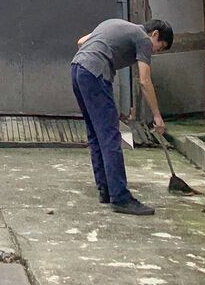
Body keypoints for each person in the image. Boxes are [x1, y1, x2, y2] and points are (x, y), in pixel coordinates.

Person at [71, 17, 173, 216]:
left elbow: (81, 41)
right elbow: (144, 81)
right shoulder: (143, 39)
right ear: (155, 34)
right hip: (95, 73)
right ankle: (120, 197)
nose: (154, 52)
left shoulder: (115, 25)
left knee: (96, 134)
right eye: (159, 47)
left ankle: (105, 190)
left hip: (77, 69)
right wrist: (157, 116)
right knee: (110, 136)